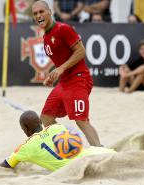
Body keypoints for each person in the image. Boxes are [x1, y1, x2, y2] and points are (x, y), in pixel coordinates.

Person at [0, 110, 144, 171]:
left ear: (25, 129)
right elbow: (74, 142)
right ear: (39, 121)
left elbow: (4, 167)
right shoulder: (56, 127)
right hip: (97, 154)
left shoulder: (24, 148)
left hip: (93, 166)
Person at [32, 1, 102, 147]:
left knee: (81, 120)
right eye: (35, 13)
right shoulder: (46, 38)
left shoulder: (63, 29)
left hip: (79, 79)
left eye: (41, 11)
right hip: (64, 82)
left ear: (50, 12)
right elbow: (61, 62)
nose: (38, 15)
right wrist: (53, 75)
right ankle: (68, 145)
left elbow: (81, 51)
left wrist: (61, 69)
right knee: (46, 117)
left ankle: (101, 151)